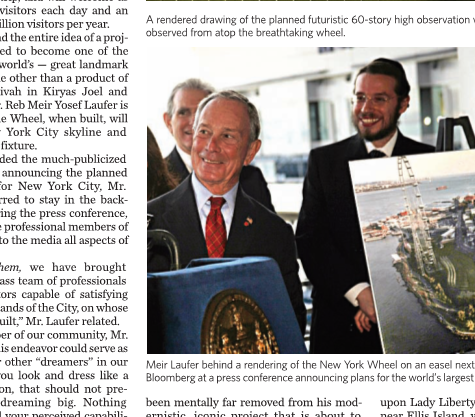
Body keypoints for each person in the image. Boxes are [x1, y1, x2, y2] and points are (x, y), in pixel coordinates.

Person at [297, 58, 432, 354]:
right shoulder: (323, 162)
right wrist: (361, 295)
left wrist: (385, 298)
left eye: (379, 99)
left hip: (415, 327)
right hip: (339, 332)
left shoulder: (430, 160)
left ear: (404, 103)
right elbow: (310, 241)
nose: (365, 108)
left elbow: (429, 241)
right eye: (360, 97)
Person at [148, 91, 305, 332]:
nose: (211, 147)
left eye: (227, 136)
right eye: (204, 132)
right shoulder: (149, 225)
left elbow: (290, 324)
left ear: (251, 151)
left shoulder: (275, 233)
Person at [162, 77, 274, 209]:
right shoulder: (152, 176)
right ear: (168, 122)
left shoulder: (251, 179)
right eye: (183, 112)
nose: (193, 121)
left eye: (200, 112)